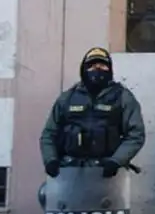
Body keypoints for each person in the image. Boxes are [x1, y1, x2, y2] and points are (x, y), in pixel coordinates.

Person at [39, 47, 146, 178]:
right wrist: (50, 160)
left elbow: (136, 134)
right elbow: (49, 134)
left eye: (102, 65)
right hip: (70, 172)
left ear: (110, 69)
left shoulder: (122, 97)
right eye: (92, 66)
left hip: (107, 173)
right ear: (84, 70)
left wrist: (117, 160)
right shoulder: (67, 98)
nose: (97, 69)